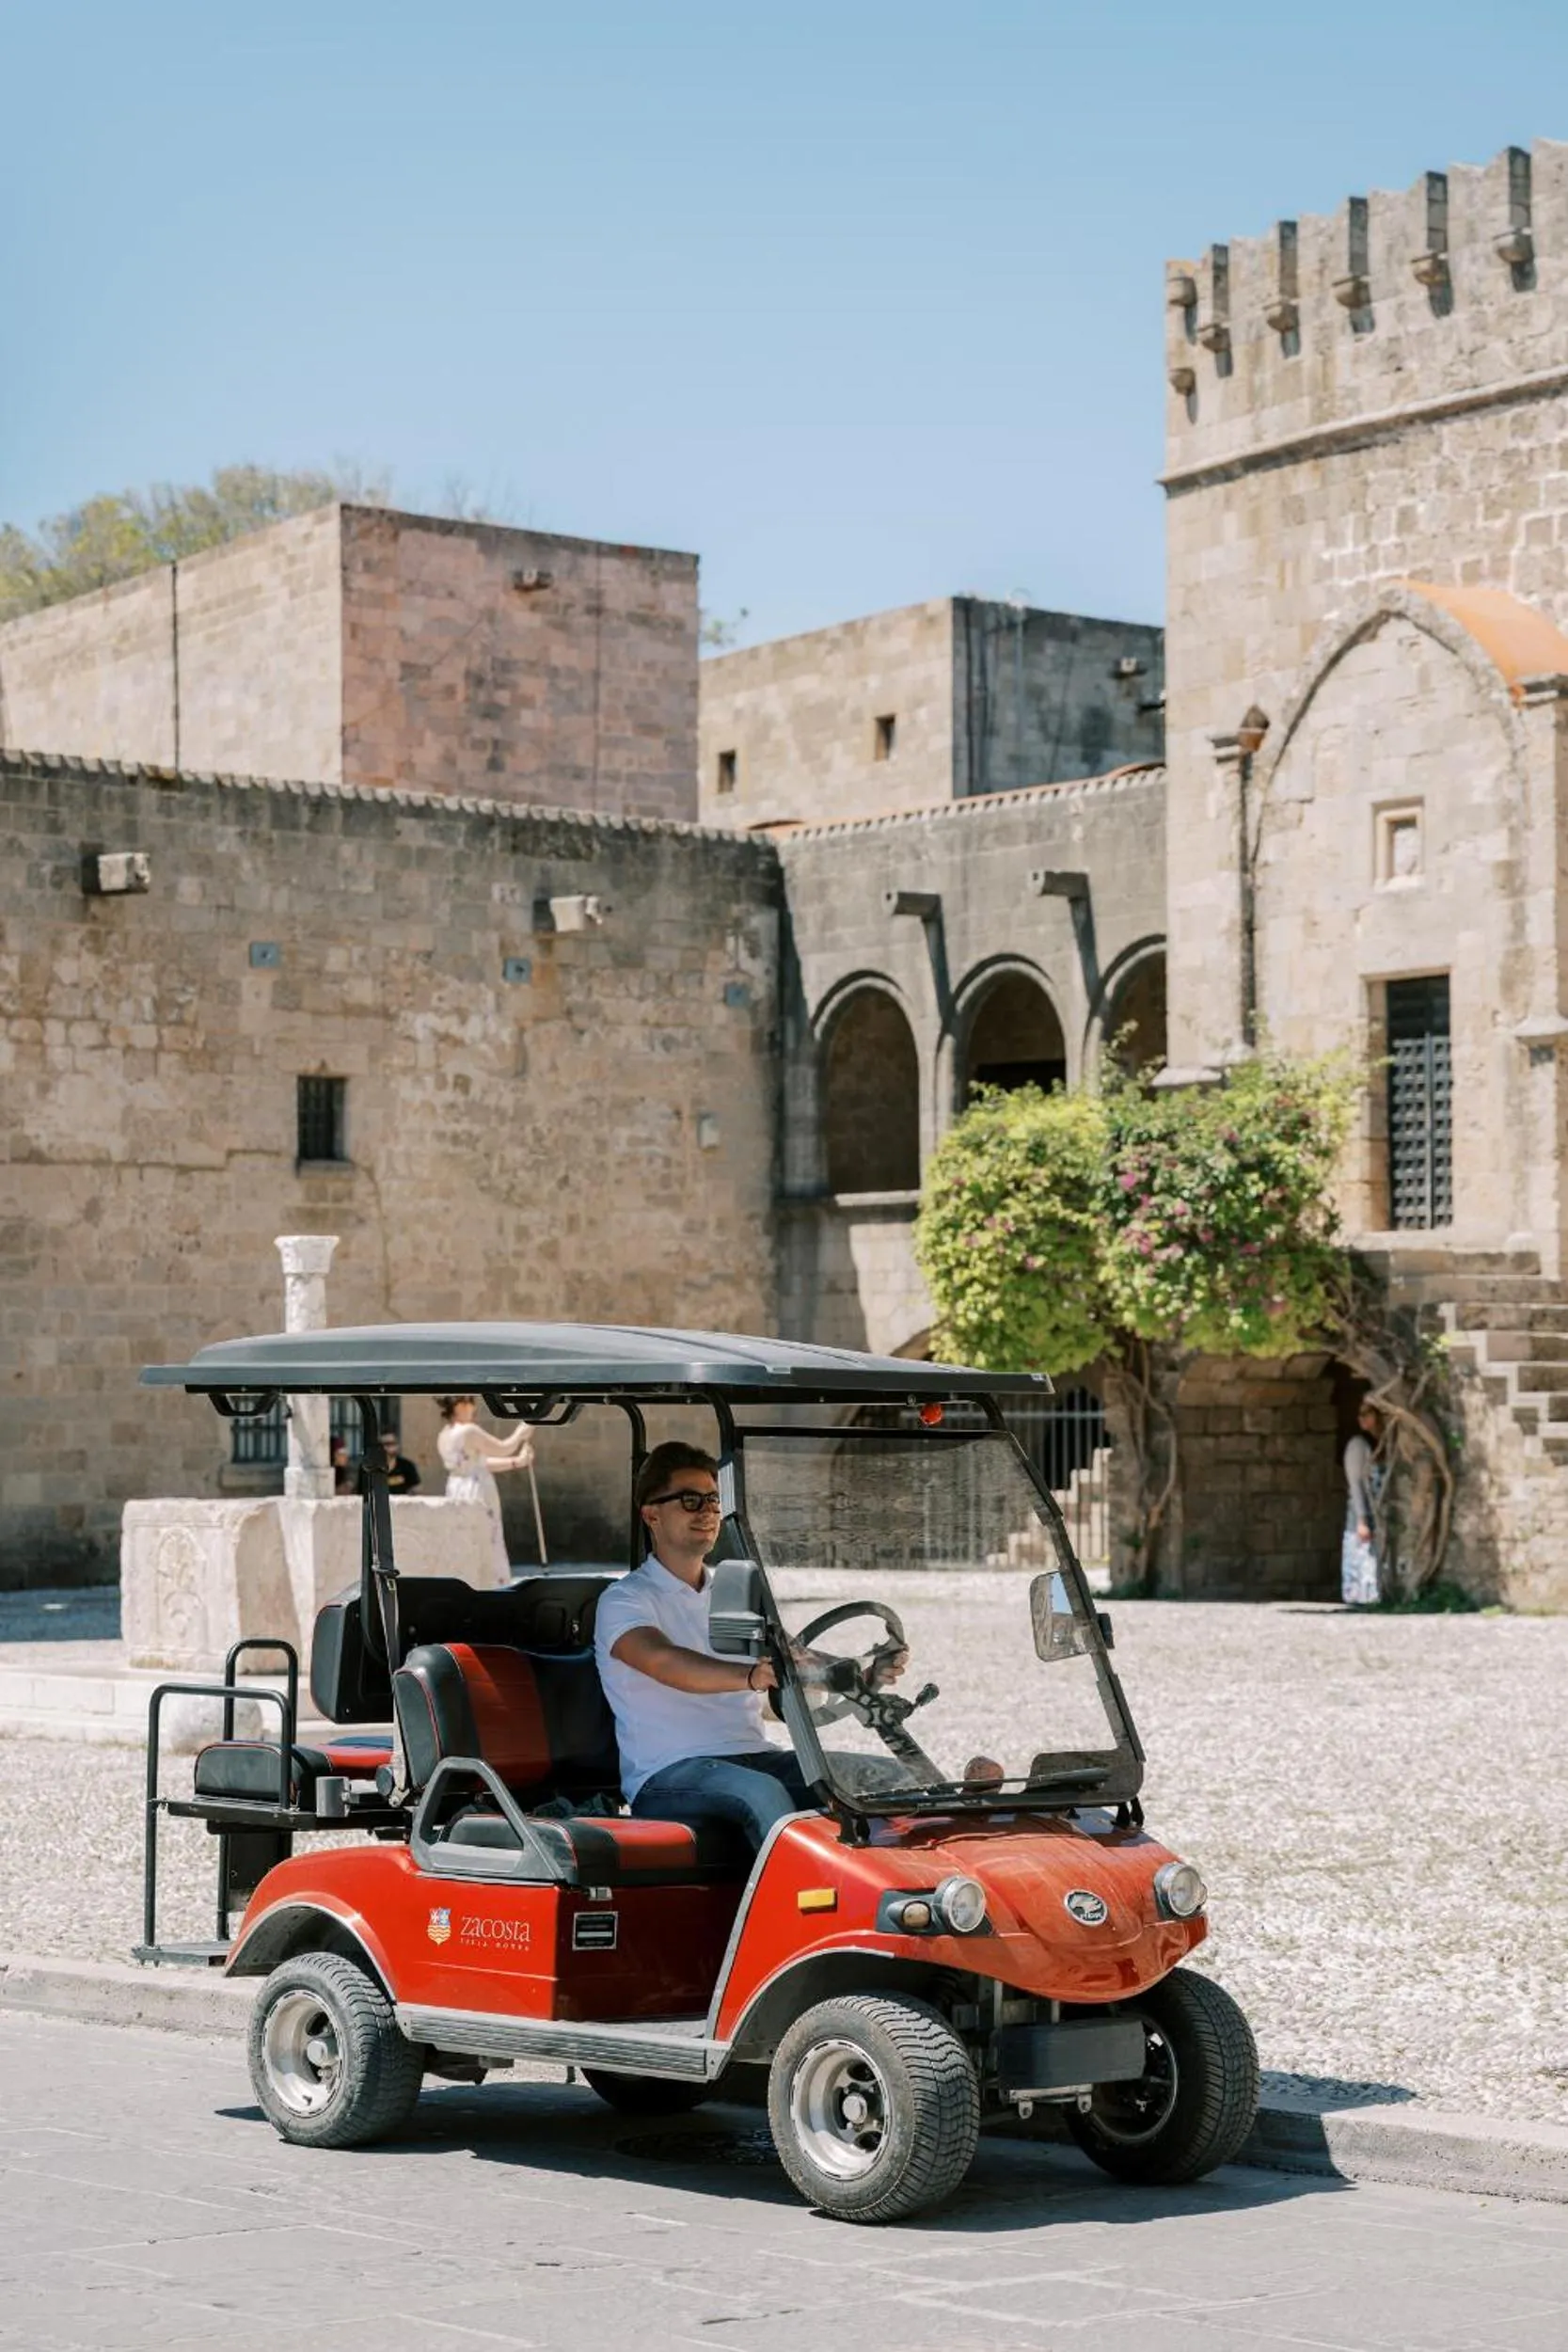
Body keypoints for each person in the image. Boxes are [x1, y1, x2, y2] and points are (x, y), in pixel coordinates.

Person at [596, 1441, 905, 1853]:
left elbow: (790, 1660)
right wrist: (751, 1676)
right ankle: (799, 1897)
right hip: (668, 1773)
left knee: (885, 1778)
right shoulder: (625, 1600)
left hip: (753, 1755)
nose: (707, 1512)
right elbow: (663, 1660)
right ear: (651, 1514)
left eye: (713, 1500)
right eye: (690, 1501)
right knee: (761, 1793)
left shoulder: (735, 1592)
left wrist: (861, 1672)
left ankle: (913, 1885)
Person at [436, 1395, 533, 1585]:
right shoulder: (469, 1430)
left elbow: (479, 1463)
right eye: (469, 1403)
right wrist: (521, 1432)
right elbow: (502, 1448)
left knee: (467, 1538)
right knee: (487, 1537)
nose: (473, 1408)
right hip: (476, 1489)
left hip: (456, 1487)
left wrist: (517, 1462)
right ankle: (491, 1584)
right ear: (460, 1405)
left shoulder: (444, 1434)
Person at [1340, 1399, 1385, 1607]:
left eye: (1367, 1413)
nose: (1362, 1418)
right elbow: (1355, 1483)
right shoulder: (1358, 1445)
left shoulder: (1383, 1444)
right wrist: (1361, 1519)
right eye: (1360, 1414)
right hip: (1364, 1514)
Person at [378, 1429, 421, 1493]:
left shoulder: (407, 1466)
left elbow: (416, 1488)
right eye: (384, 1444)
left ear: (397, 1446)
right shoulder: (371, 1468)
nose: (387, 1448)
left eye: (391, 1444)